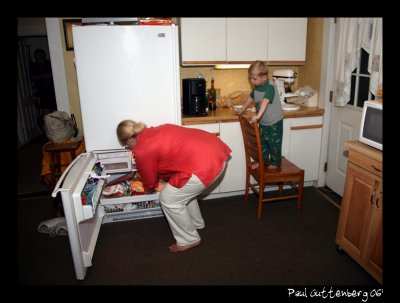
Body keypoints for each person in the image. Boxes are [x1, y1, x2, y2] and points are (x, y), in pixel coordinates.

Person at [117, 121, 232, 252]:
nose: (128, 147)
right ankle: (196, 223)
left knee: (168, 199)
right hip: (217, 151)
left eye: (126, 145)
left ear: (130, 139)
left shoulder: (141, 149)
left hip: (206, 164)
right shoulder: (156, 129)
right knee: (181, 192)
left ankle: (189, 239)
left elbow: (149, 181)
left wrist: (150, 186)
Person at [236, 60, 283, 170]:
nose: (252, 81)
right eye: (251, 78)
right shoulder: (257, 86)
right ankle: (262, 162)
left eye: (254, 79)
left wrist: (257, 116)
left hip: (274, 122)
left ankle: (276, 163)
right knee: (261, 144)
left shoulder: (270, 87)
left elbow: (266, 101)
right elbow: (251, 97)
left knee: (273, 143)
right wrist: (243, 109)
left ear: (264, 77)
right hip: (263, 121)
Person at [30, 48, 57, 125]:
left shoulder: (50, 63)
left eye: (40, 57)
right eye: (37, 58)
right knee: (45, 113)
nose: (39, 60)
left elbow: (54, 75)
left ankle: (56, 127)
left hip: (52, 91)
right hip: (41, 92)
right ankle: (48, 129)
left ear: (44, 56)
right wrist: (46, 76)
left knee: (55, 111)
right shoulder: (34, 66)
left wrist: (44, 76)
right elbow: (32, 78)